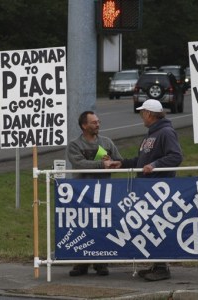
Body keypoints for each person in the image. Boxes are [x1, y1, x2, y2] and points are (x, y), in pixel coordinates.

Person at [110, 99, 183, 281]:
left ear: (150, 114)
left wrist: (156, 164)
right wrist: (124, 163)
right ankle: (156, 264)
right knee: (149, 228)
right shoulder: (151, 134)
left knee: (157, 229)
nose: (141, 115)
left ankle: (161, 268)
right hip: (147, 188)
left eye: (143, 112)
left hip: (159, 189)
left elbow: (176, 156)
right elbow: (143, 160)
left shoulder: (166, 132)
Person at [67, 110, 123, 276]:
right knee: (81, 227)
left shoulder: (107, 142)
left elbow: (119, 160)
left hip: (103, 192)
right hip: (82, 193)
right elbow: (79, 164)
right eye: (94, 122)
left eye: (98, 121)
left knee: (102, 227)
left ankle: (101, 263)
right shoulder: (75, 145)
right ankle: (81, 264)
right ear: (84, 125)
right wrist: (102, 164)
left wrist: (114, 163)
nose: (98, 124)